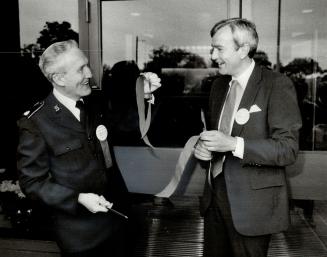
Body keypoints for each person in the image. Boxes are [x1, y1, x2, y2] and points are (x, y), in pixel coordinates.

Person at [16, 40, 154, 257]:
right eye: (81, 69)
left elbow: (127, 128)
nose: (89, 73)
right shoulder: (36, 122)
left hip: (119, 222)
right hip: (82, 237)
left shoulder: (93, 103)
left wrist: (143, 97)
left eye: (87, 65)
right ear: (59, 78)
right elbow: (32, 182)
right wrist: (78, 198)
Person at [194, 18, 302, 257]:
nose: (212, 55)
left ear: (243, 49)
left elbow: (287, 149)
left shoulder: (277, 85)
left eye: (219, 48)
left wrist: (233, 144)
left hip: (253, 207)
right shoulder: (218, 86)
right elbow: (216, 138)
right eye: (212, 48)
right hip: (214, 201)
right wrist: (205, 152)